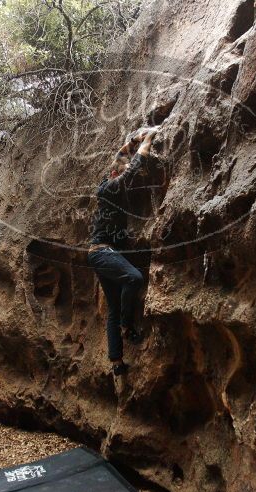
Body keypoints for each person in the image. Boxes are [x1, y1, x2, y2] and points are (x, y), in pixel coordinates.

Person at [87, 127, 158, 376]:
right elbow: (134, 167)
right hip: (102, 252)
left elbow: (121, 158)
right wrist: (147, 141)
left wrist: (133, 140)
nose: (126, 174)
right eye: (122, 172)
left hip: (103, 254)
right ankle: (127, 327)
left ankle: (116, 363)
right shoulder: (108, 188)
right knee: (134, 278)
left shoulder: (111, 187)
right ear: (115, 174)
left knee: (113, 309)